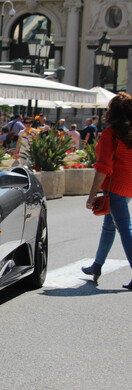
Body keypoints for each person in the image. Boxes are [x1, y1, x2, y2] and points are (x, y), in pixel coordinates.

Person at [82, 92, 132, 289]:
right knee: (109, 226)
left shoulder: (111, 134)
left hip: (115, 187)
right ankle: (97, 265)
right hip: (128, 187)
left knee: (125, 229)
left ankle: (98, 265)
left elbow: (103, 167)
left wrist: (92, 195)